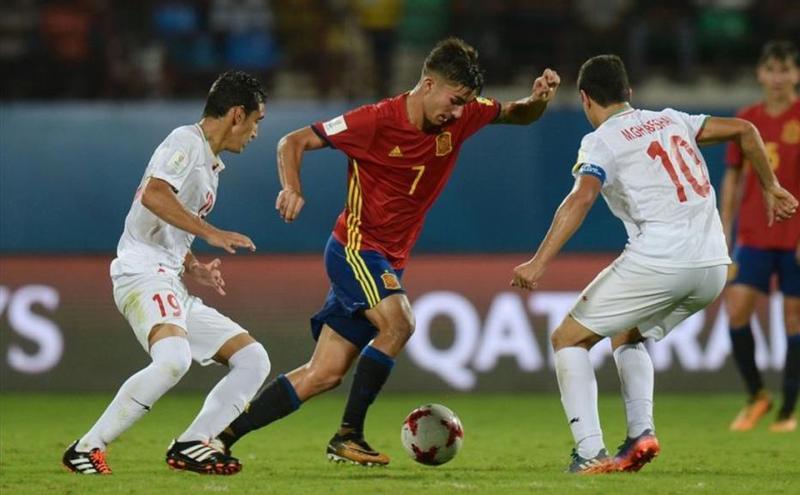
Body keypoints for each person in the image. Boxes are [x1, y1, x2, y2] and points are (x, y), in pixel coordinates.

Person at [212, 37, 560, 466]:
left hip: (385, 261)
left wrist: (538, 99)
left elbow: (516, 114)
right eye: (452, 101)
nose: (455, 113)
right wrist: (292, 187)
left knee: (324, 374)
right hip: (355, 249)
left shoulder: (462, 116)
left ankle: (219, 438)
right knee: (399, 323)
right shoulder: (375, 121)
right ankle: (348, 434)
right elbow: (292, 141)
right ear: (428, 84)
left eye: (463, 104)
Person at [510, 54, 798, 475]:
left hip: (662, 259)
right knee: (629, 333)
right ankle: (640, 435)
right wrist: (771, 186)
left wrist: (538, 262)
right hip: (713, 265)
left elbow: (582, 196)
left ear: (585, 99)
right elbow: (745, 129)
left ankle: (589, 451)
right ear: (629, 93)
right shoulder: (670, 119)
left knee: (568, 339)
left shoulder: (601, 140)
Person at [62, 71, 270, 475]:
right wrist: (211, 232)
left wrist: (195, 266)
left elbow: (171, 225)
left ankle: (193, 443)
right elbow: (154, 195)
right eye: (257, 122)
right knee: (173, 359)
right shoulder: (184, 142)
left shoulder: (210, 167)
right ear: (237, 115)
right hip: (141, 273)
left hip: (168, 277)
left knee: (252, 359)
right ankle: (86, 448)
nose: (255, 133)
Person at [721, 41, 800, 433]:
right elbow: (733, 179)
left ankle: (787, 412)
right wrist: (725, 229)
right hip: (753, 235)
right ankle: (757, 395)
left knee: (793, 320)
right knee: (736, 311)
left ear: (798, 74)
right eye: (771, 69)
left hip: (797, 237)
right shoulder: (746, 118)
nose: (777, 77)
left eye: (785, 70)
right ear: (760, 73)